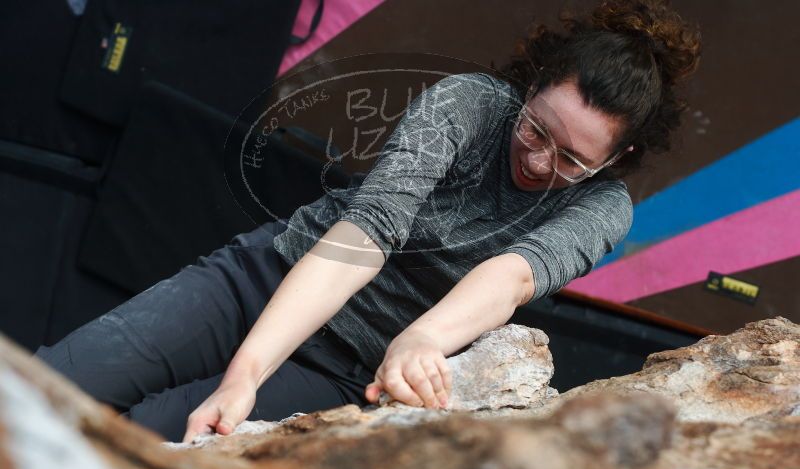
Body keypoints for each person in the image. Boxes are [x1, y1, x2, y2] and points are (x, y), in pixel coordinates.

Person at [35, 0, 701, 443]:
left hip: (346, 367)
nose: (537, 159)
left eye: (570, 159)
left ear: (619, 158)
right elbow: (367, 232)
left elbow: (508, 279)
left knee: (143, 444)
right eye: (535, 129)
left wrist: (421, 340)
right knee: (54, 386)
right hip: (267, 281)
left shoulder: (603, 209)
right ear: (531, 89)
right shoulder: (468, 105)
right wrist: (245, 371)